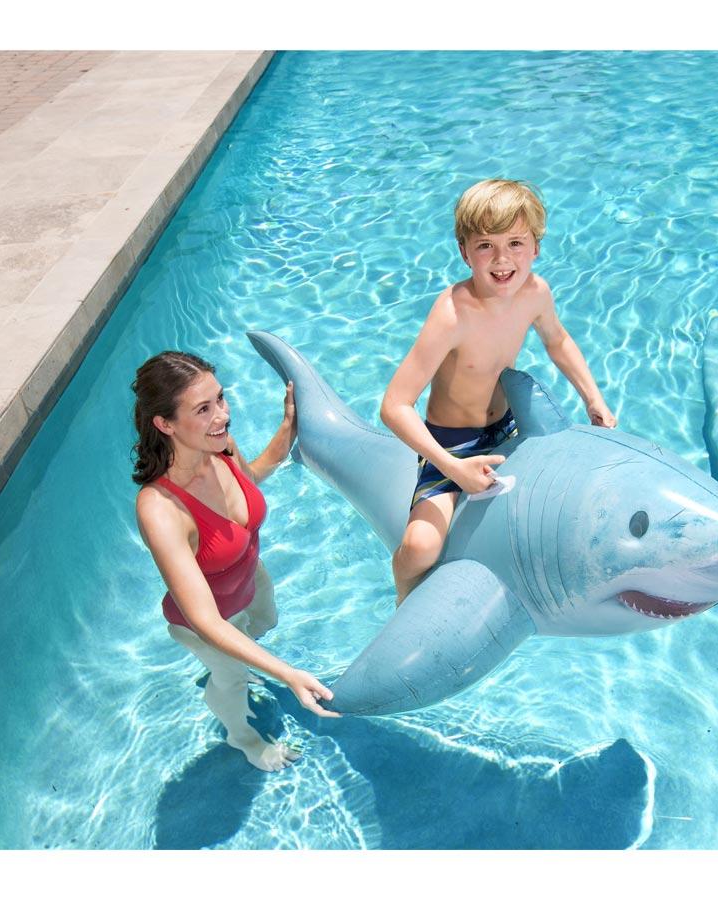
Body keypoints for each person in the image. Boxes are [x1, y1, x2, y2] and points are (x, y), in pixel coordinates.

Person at [380, 178, 617, 605]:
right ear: (464, 252)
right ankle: (401, 596)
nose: (502, 259)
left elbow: (558, 341)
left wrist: (592, 398)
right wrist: (453, 467)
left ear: (536, 248)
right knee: (421, 549)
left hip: (508, 428)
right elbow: (394, 405)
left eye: (516, 243)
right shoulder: (452, 314)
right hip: (453, 443)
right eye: (486, 245)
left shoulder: (535, 293)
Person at [132, 351, 338, 772]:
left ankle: (235, 667)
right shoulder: (161, 509)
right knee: (232, 678)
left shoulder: (221, 446)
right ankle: (242, 738)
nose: (222, 415)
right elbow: (205, 620)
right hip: (207, 623)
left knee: (265, 624)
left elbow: (253, 475)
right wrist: (288, 673)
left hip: (251, 581)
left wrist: (288, 429)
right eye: (203, 409)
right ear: (165, 424)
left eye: (221, 399)